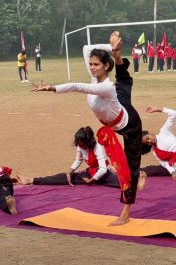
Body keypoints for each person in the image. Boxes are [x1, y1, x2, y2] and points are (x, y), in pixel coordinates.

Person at [31, 31, 142, 226]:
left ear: (105, 66)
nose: (91, 67)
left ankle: (125, 213)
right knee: (124, 80)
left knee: (129, 169)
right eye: (90, 64)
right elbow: (87, 48)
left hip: (129, 124)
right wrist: (112, 49)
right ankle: (118, 55)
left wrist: (51, 88)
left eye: (96, 64)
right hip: (118, 105)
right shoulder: (97, 79)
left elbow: (76, 86)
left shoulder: (105, 87)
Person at [16, 126, 121, 188]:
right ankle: (30, 180)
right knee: (64, 177)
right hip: (90, 173)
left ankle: (137, 180)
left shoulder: (97, 147)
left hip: (104, 175)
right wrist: (69, 171)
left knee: (124, 183)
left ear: (88, 142)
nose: (79, 146)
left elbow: (102, 169)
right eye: (78, 144)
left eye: (81, 144)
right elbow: (78, 160)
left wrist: (91, 180)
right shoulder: (80, 146)